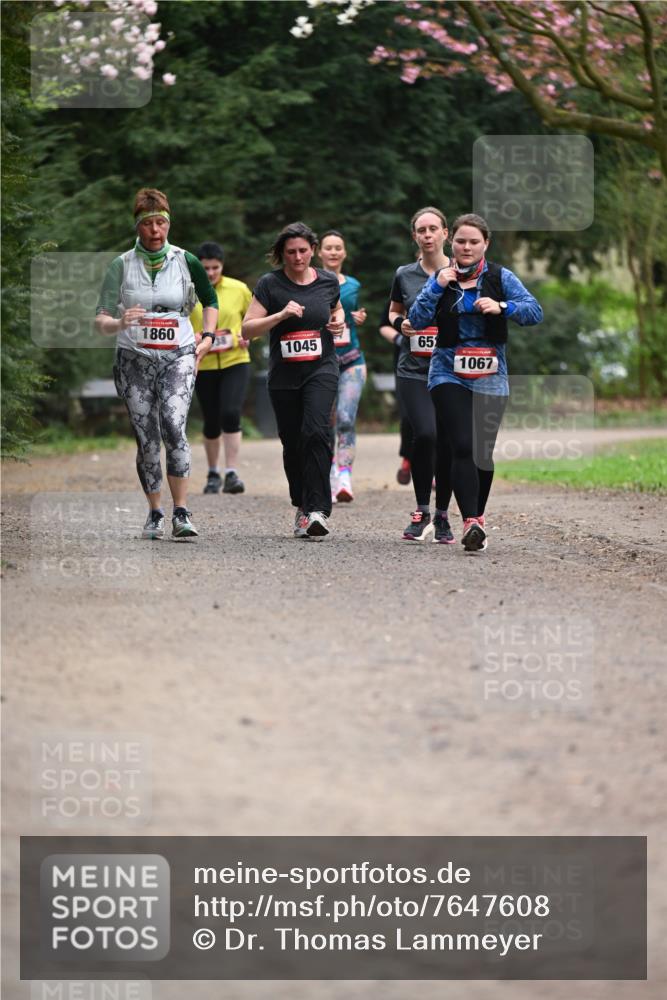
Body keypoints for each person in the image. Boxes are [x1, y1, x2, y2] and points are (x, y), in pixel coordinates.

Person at [408, 212, 543, 553]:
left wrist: (502, 305)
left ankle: (477, 519)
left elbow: (534, 311)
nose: (466, 247)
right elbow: (417, 320)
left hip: (490, 373)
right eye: (461, 241)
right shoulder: (441, 278)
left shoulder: (500, 276)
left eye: (474, 242)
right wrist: (437, 287)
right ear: (451, 241)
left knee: (482, 452)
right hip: (447, 371)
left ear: (485, 244)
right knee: (463, 444)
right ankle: (469, 521)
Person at [95, 188, 218, 540]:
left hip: (178, 354)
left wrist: (207, 336)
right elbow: (100, 318)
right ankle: (155, 512)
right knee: (147, 438)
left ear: (168, 224)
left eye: (161, 223)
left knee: (174, 426)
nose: (155, 230)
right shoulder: (120, 265)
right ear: (138, 226)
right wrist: (119, 323)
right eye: (148, 224)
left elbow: (210, 301)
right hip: (134, 359)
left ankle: (181, 511)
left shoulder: (186, 260)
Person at [241, 222, 345, 539]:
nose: (298, 257)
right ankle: (302, 505)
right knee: (293, 441)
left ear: (312, 250)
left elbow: (336, 311)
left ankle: (318, 510)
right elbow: (247, 329)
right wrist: (280, 316)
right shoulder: (270, 284)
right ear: (282, 254)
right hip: (285, 375)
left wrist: (337, 324)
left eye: (303, 250)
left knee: (317, 431)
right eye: (291, 252)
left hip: (322, 368)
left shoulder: (327, 281)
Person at [389, 208, 454, 543]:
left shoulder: (461, 273)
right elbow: (393, 311)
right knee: (424, 434)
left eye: (433, 229)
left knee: (446, 442)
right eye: (421, 230)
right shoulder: (405, 274)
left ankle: (442, 516)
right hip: (412, 369)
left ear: (445, 233)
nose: (427, 235)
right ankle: (420, 511)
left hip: (449, 371)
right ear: (414, 236)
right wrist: (399, 324)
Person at [190, 241, 252, 496]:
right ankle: (213, 473)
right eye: (205, 268)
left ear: (222, 266)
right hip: (202, 363)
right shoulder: (188, 291)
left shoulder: (239, 289)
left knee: (230, 412)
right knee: (211, 419)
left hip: (235, 360)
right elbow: (179, 321)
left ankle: (232, 472)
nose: (211, 273)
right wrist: (191, 335)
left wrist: (248, 336)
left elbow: (254, 319)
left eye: (215, 268)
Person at [317, 230, 367, 503]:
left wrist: (359, 317)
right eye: (329, 248)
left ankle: (344, 475)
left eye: (338, 248)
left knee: (346, 419)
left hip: (351, 360)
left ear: (344, 253)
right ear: (320, 253)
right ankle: (326, 474)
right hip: (320, 361)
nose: (334, 252)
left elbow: (355, 312)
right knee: (324, 422)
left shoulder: (354, 285)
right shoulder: (310, 282)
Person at [378, 302, 412, 485]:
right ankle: (408, 458)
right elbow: (384, 324)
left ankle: (433, 470)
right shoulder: (404, 283)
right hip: (405, 366)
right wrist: (400, 339)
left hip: (439, 365)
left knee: (437, 419)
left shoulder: (448, 288)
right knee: (408, 417)